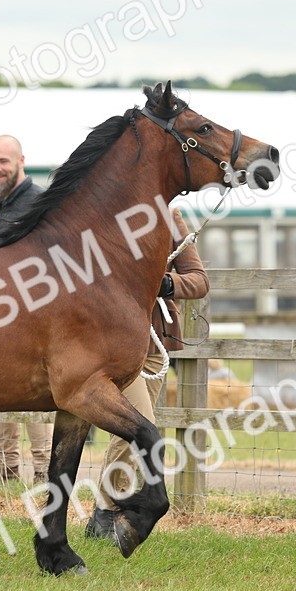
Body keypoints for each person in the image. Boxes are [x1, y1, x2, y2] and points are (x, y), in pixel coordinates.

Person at [87, 209, 209, 538]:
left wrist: (165, 283)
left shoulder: (170, 218)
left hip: (156, 346)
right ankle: (109, 510)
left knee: (127, 431)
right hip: (115, 344)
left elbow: (199, 280)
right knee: (139, 424)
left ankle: (104, 514)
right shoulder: (105, 219)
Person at [0, 135, 51, 483]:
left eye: (3, 161)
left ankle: (43, 468)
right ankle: (4, 466)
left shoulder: (40, 202)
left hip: (28, 314)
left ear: (21, 160)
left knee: (34, 393)